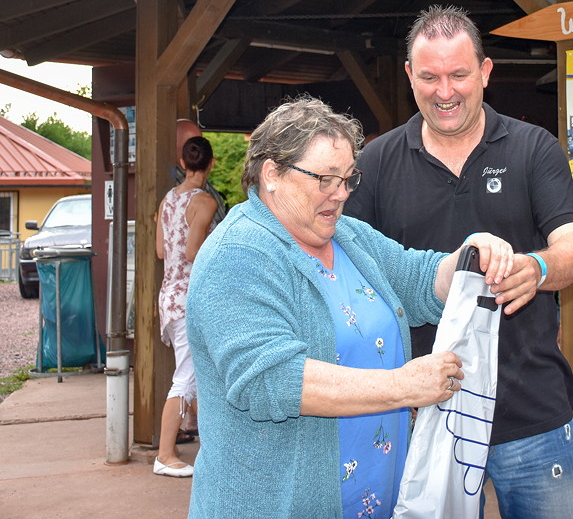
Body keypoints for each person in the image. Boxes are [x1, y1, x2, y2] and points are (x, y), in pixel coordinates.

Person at [184, 95, 520, 517]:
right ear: (272, 174)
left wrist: (469, 255)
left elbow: (418, 280)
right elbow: (273, 379)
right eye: (325, 179)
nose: (340, 194)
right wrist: (403, 386)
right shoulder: (238, 254)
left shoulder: (347, 236)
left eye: (347, 179)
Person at [344, 5, 573, 518]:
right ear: (410, 75)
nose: (445, 91)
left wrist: (538, 269)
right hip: (424, 413)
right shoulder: (375, 163)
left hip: (530, 410)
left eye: (459, 74)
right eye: (430, 77)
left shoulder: (533, 148)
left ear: (484, 71)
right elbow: (348, 270)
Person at [153, 136, 218, 478]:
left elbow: (163, 252)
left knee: (193, 375)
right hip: (191, 298)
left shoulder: (166, 201)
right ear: (212, 163)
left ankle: (201, 443)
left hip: (168, 296)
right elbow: (195, 252)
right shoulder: (204, 201)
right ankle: (165, 454)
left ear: (183, 164)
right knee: (185, 379)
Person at [175, 119, 227, 225]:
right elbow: (196, 241)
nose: (199, 151)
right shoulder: (204, 201)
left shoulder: (167, 200)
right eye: (194, 147)